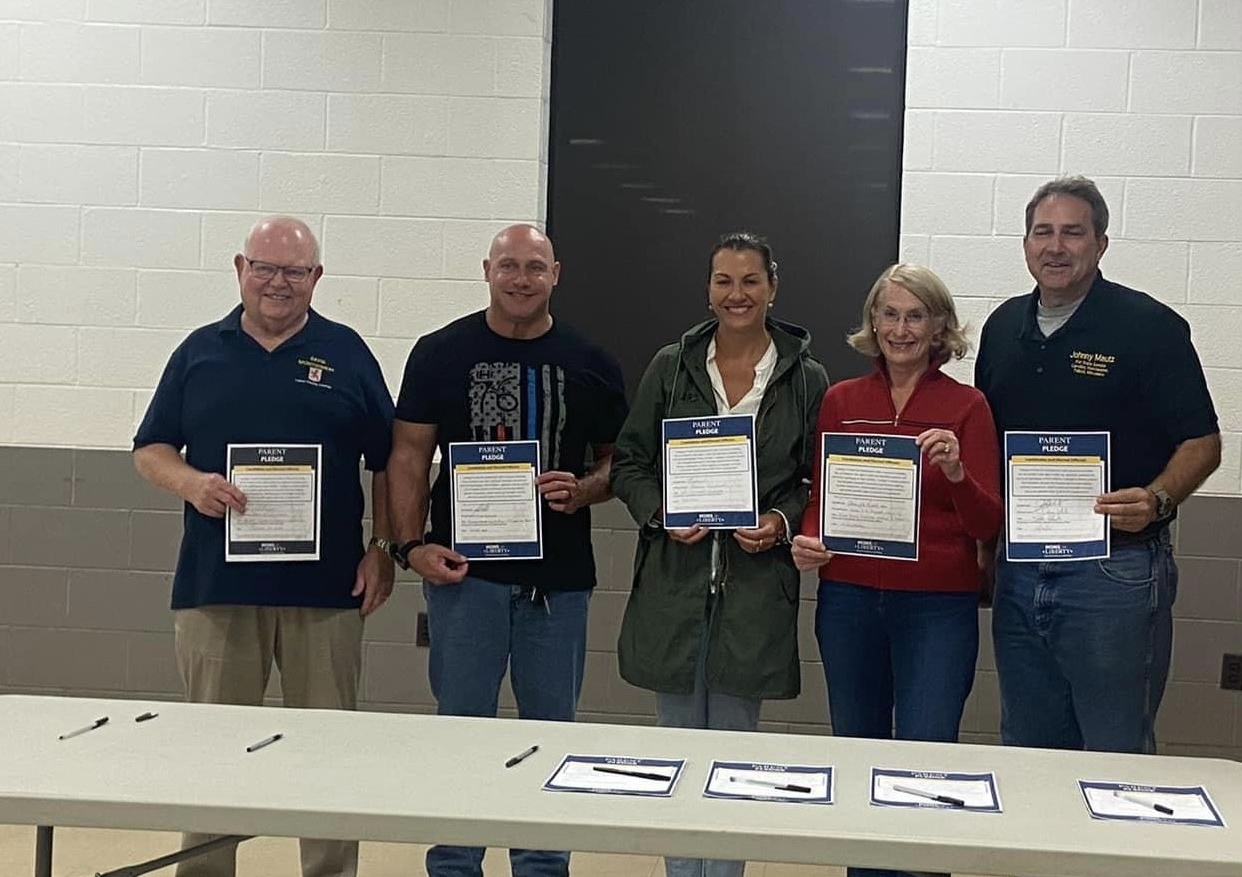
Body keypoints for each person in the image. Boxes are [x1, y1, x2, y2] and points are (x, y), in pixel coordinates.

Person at [132, 216, 396, 877]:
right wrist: (191, 482)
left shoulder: (348, 353)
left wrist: (384, 545)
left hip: (328, 591)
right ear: (240, 268)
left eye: (295, 271)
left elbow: (390, 460)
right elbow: (150, 449)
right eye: (265, 267)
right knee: (214, 757)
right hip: (216, 591)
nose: (278, 283)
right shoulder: (199, 353)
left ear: (317, 278)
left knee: (326, 755)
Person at [384, 223, 628, 877]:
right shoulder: (439, 352)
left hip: (560, 582)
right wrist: (411, 546)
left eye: (535, 267)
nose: (521, 278)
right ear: (486, 269)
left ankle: (543, 862)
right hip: (465, 579)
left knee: (550, 735)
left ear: (557, 274)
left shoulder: (592, 361)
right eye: (509, 265)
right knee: (461, 728)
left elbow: (616, 464)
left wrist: (583, 490)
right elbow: (408, 454)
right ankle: (456, 862)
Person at [975, 175, 1221, 755]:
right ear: (1025, 242)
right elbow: (989, 443)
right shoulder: (1002, 327)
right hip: (1021, 565)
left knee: (1115, 752)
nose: (1055, 246)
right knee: (1028, 747)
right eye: (1042, 232)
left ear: (1101, 244)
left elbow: (1202, 442)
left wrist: (1158, 498)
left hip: (1114, 572)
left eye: (1072, 233)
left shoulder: (1148, 327)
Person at [610, 232, 829, 877]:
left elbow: (814, 478)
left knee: (735, 765)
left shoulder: (805, 377)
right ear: (708, 288)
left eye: (750, 281)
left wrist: (782, 520)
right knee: (678, 762)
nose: (736, 294)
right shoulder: (669, 367)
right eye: (723, 281)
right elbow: (630, 462)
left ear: (773, 287)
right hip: (676, 586)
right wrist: (659, 511)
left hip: (755, 590)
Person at [789, 263, 999, 877]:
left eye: (915, 316)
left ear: (938, 329)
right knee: (857, 758)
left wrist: (959, 475)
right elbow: (819, 502)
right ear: (872, 322)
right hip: (849, 600)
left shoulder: (967, 406)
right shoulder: (842, 400)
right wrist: (807, 538)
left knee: (925, 764)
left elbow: (988, 524)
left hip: (937, 608)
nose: (900, 329)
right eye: (889, 314)